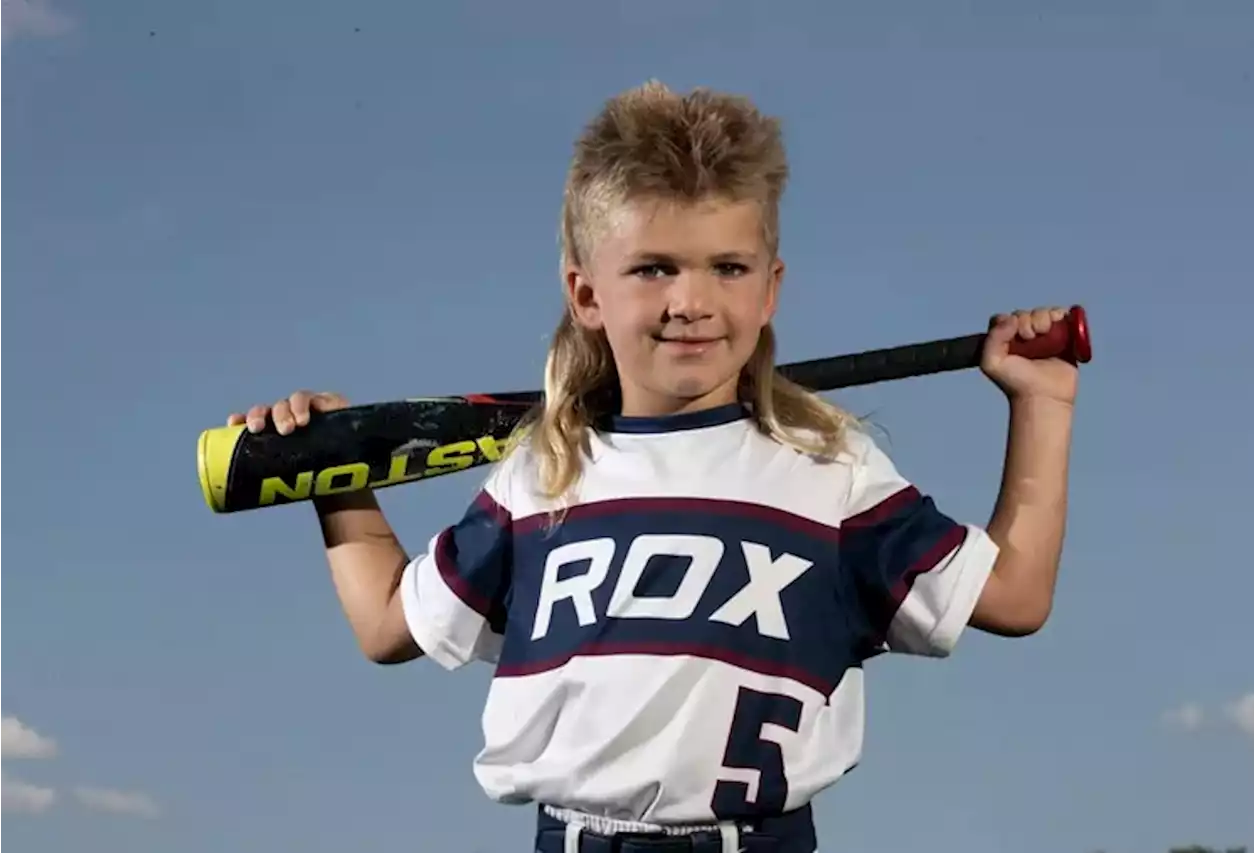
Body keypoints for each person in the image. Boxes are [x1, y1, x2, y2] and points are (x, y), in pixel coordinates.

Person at [228, 81, 1079, 853]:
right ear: (587, 294)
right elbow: (388, 623)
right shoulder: (546, 473)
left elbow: (1014, 595)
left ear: (770, 288)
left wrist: (1042, 404)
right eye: (654, 268)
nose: (692, 301)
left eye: (727, 268)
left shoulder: (827, 471)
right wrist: (333, 473)